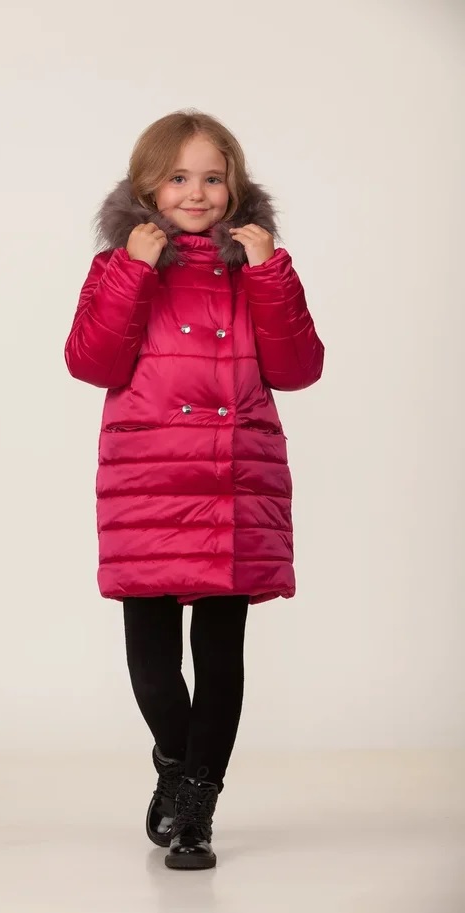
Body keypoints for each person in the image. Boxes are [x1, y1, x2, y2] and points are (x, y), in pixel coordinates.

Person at [64, 109, 324, 870]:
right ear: (148, 186)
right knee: (151, 659)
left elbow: (299, 368)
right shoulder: (117, 265)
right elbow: (92, 362)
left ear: (235, 186)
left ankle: (196, 809)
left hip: (231, 477)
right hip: (148, 481)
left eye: (213, 177)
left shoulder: (255, 266)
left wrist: (270, 271)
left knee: (218, 652)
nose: (197, 192)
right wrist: (132, 270)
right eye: (178, 177)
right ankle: (177, 765)